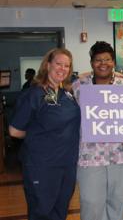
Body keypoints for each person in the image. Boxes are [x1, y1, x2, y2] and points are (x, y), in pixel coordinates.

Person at [9, 48, 80, 220]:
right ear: (47, 65)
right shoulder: (34, 94)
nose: (62, 69)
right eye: (58, 64)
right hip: (42, 167)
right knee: (42, 213)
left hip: (66, 166)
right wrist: (40, 136)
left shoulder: (67, 95)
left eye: (66, 66)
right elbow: (14, 131)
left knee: (60, 212)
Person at [72, 41, 123, 220]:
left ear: (114, 62)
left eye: (107, 59)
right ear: (91, 63)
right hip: (90, 157)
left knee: (118, 205)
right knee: (91, 204)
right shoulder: (79, 87)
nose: (103, 63)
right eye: (98, 60)